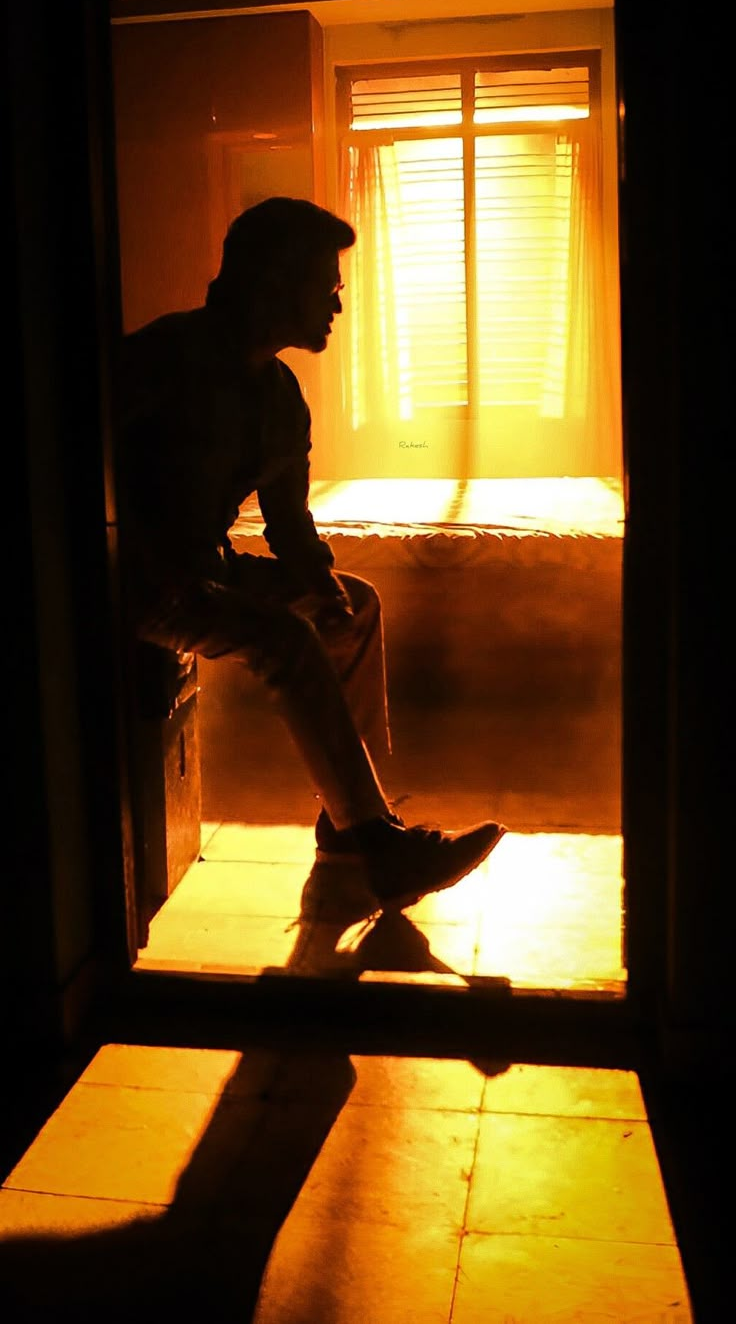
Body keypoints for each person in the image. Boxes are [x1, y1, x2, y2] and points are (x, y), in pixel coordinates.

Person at [116, 196, 506, 912]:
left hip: (205, 569)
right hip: (138, 580)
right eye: (324, 283)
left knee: (353, 605)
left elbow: (288, 525)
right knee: (286, 639)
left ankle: (345, 821)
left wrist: (318, 581)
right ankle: (383, 846)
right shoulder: (162, 359)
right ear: (272, 282)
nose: (338, 299)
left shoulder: (279, 397)